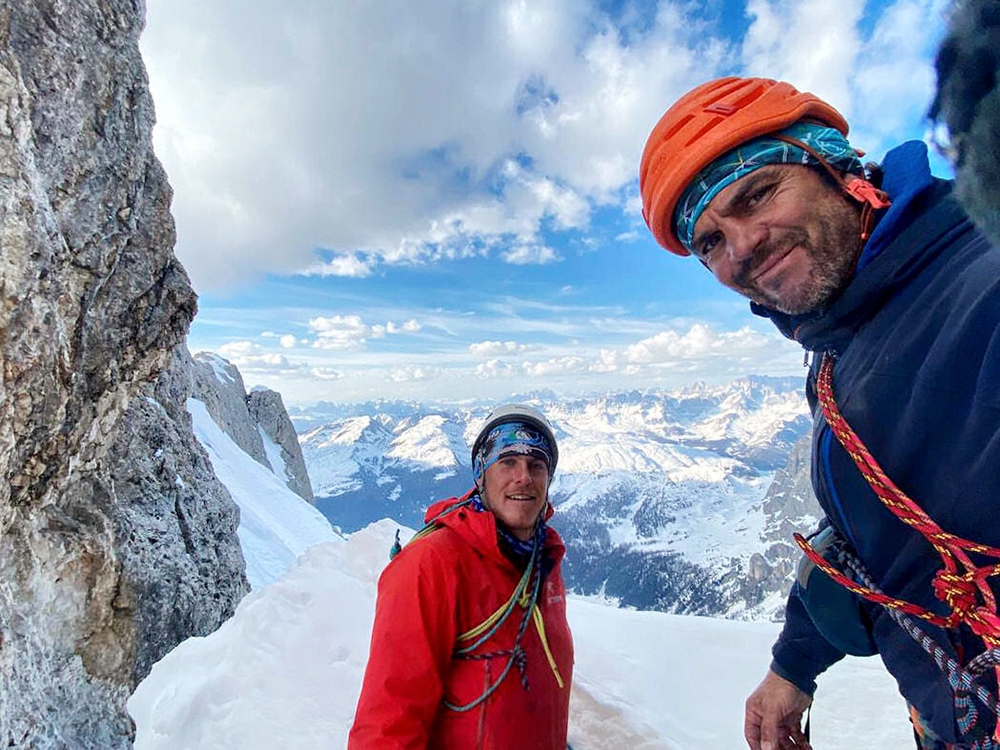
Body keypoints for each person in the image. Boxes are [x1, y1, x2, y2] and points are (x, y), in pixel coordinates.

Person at [640, 76, 1000, 749]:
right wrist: (793, 665)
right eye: (710, 241)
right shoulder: (843, 346)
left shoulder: (980, 283)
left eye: (757, 193)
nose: (741, 245)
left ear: (839, 169)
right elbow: (869, 533)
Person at [348, 403, 574, 749]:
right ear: (481, 474)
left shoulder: (542, 558)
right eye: (508, 461)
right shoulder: (432, 563)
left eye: (537, 465)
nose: (524, 477)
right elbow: (387, 721)